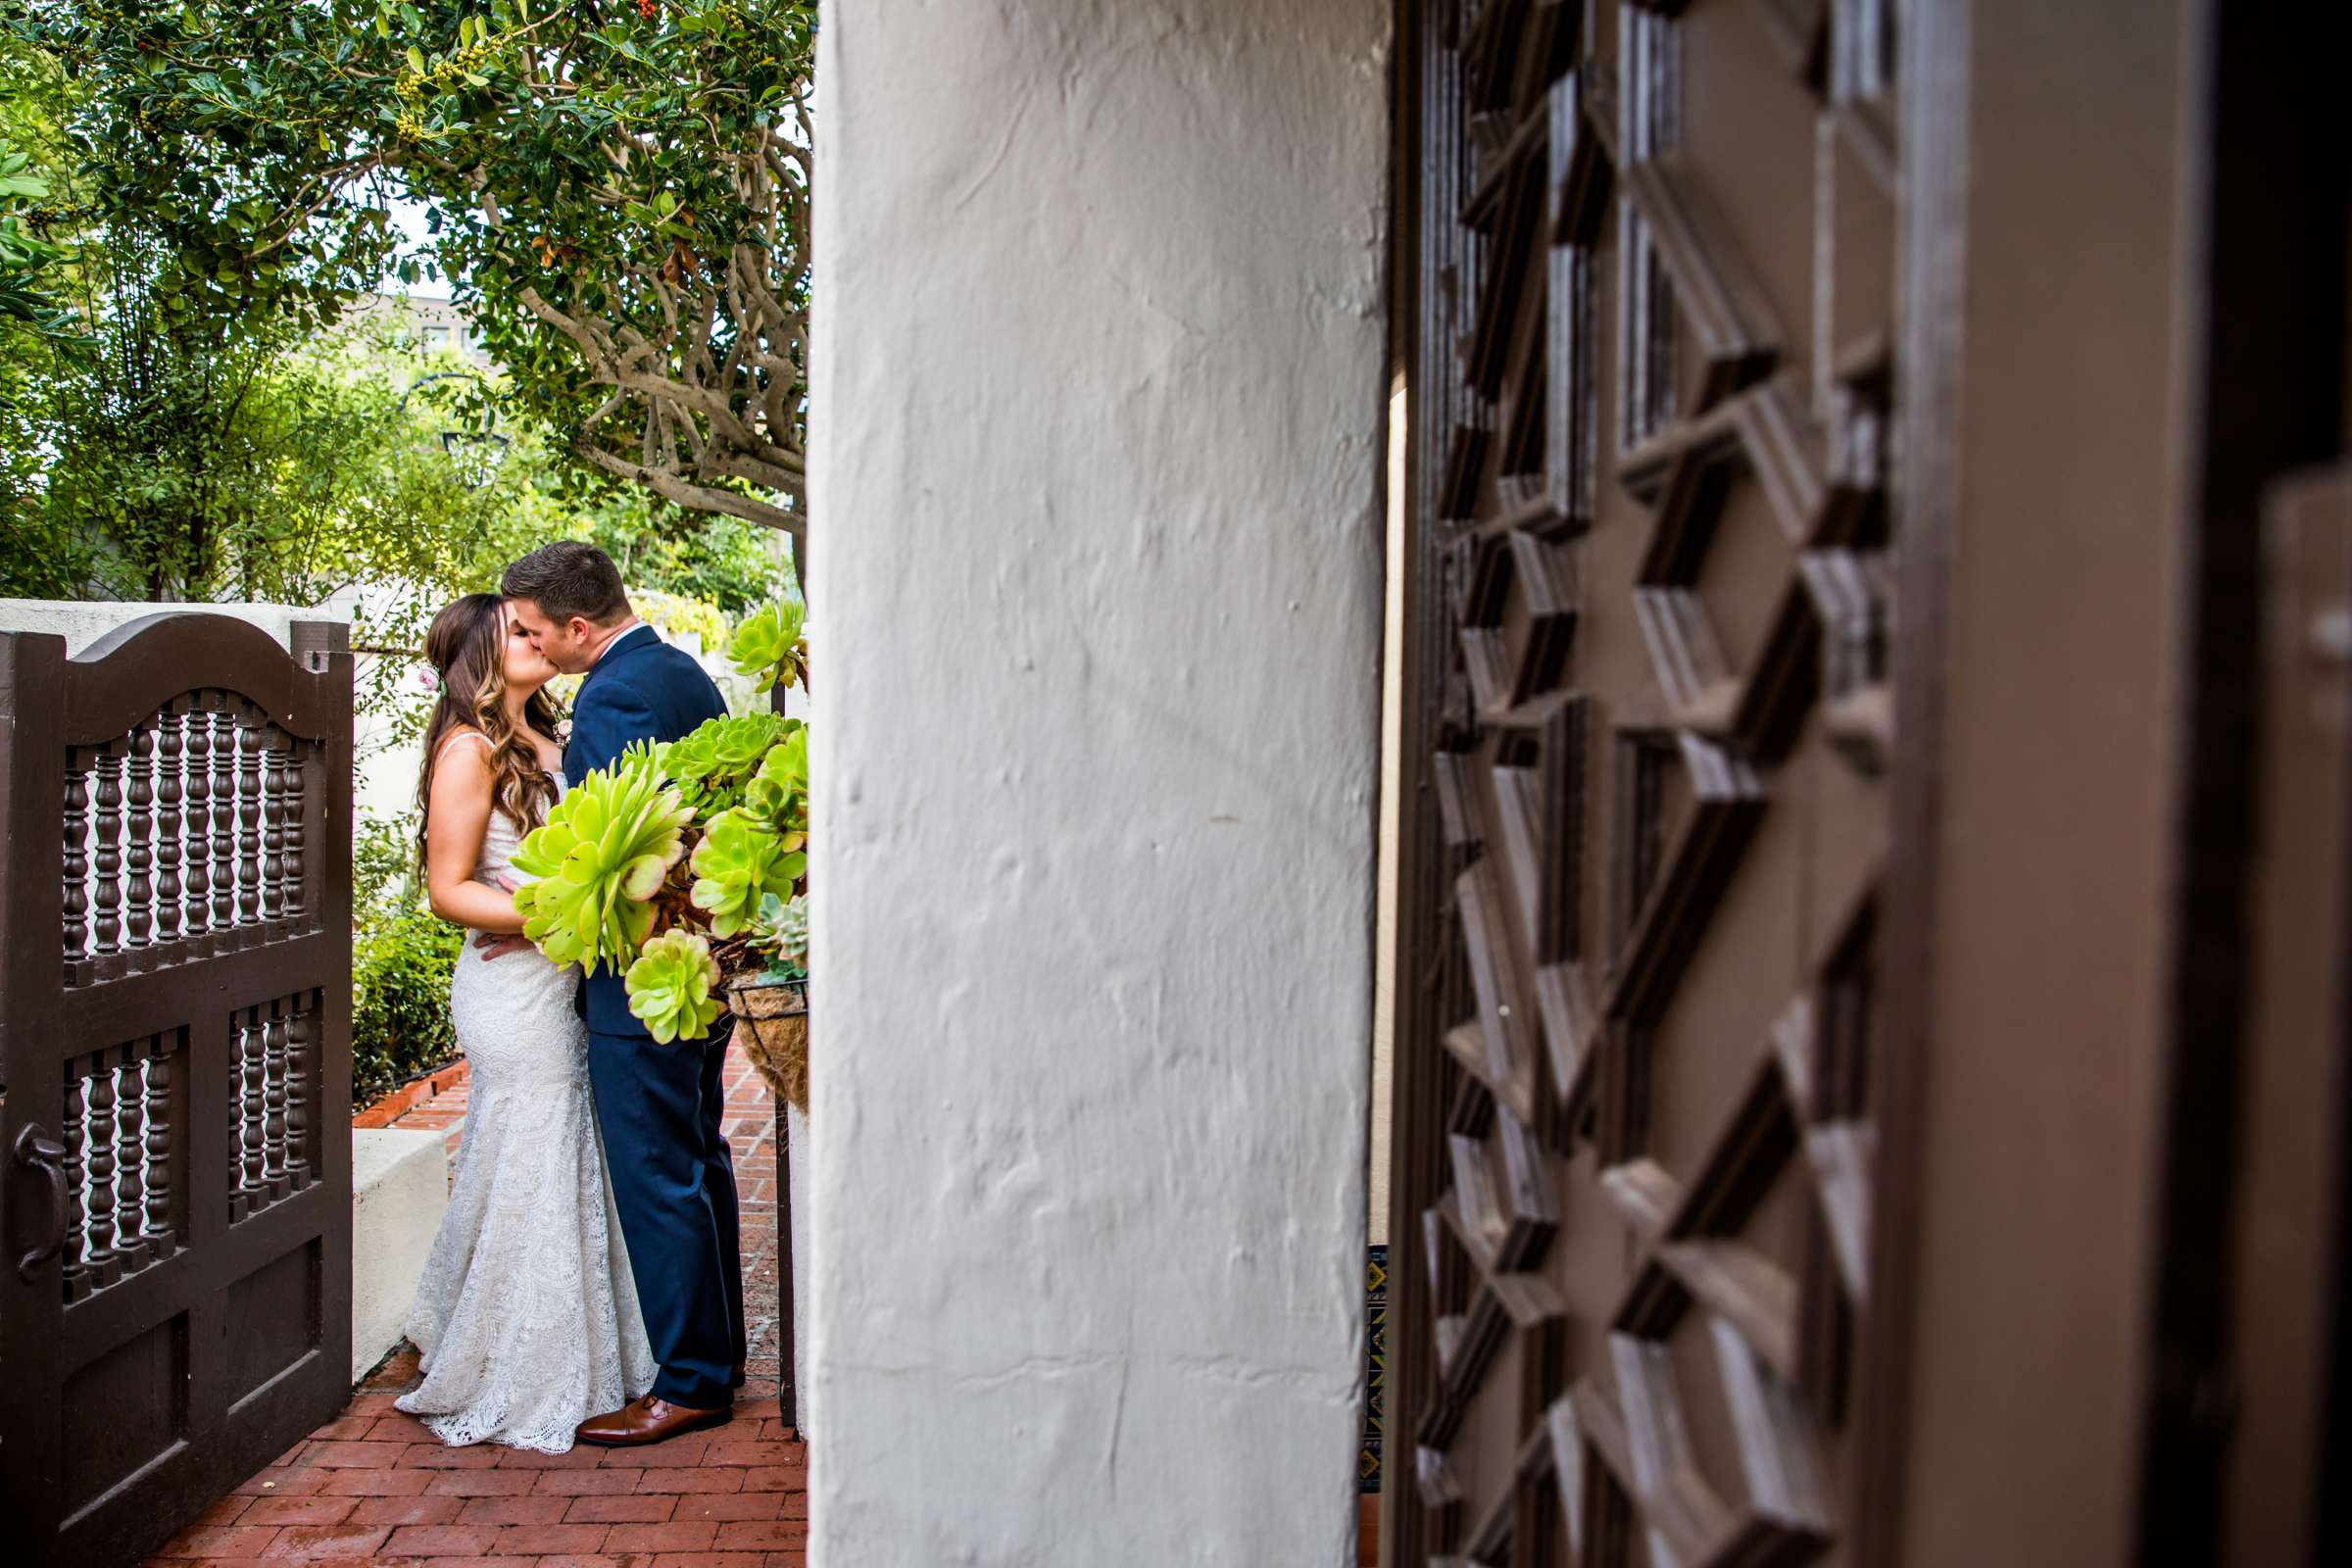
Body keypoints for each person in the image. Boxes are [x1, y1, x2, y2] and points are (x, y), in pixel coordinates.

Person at [394, 592, 657, 1452]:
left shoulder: (549, 735)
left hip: (565, 980)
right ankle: (528, 1362)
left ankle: (584, 1339)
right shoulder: (468, 749)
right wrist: (549, 915)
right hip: (514, 990)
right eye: (516, 631)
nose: (537, 638)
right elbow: (449, 889)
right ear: (480, 654)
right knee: (539, 1150)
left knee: (560, 1151)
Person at [497, 540, 746, 1447]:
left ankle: (689, 1383)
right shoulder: (679, 672)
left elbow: (607, 850)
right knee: (699, 1159)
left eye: (530, 629)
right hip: (696, 968)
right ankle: (714, 1364)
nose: (525, 643)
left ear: (576, 626)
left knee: (656, 1172)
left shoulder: (614, 694)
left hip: (642, 982)